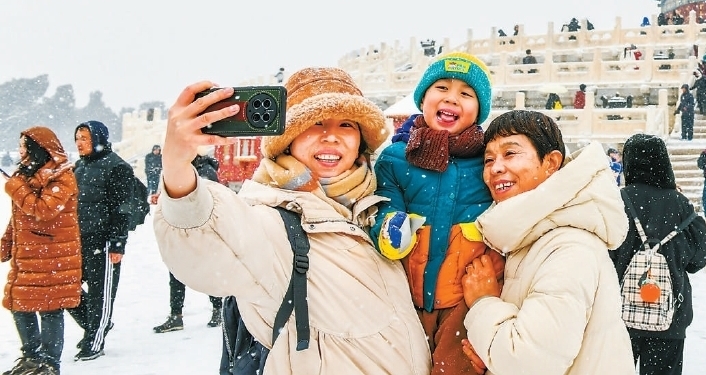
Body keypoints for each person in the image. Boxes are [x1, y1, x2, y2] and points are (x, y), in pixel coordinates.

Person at [154, 68, 432, 374]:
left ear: (361, 140)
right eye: (315, 123)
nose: (331, 136)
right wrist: (177, 168)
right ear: (287, 140)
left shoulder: (376, 213)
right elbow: (211, 239)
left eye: (346, 124)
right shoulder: (274, 220)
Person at [461, 111, 635, 374]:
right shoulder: (533, 238)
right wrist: (493, 359)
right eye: (489, 159)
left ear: (551, 162)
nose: (496, 168)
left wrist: (482, 301)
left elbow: (527, 362)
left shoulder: (569, 247)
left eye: (510, 154)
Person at [370, 53, 499, 375]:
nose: (452, 98)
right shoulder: (395, 158)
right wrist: (389, 228)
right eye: (441, 87)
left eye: (466, 94)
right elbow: (384, 204)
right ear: (423, 98)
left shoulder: (488, 159)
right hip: (404, 296)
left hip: (464, 300)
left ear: (479, 109)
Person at [611, 135, 706, 375]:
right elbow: (699, 258)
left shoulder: (616, 201)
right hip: (670, 314)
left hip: (618, 314)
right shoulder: (679, 204)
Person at [3, 128, 81, 375]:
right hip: (28, 256)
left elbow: (43, 210)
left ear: (38, 148)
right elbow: (18, 217)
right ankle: (31, 357)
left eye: (24, 145)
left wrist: (14, 186)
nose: (21, 150)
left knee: (50, 308)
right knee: (19, 304)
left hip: (52, 257)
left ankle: (49, 363)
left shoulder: (62, 177)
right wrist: (5, 244)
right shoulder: (25, 175)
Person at [67, 121, 135, 362]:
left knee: (100, 295)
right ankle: (96, 324)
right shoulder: (78, 168)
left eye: (84, 137)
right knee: (67, 288)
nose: (79, 142)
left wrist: (117, 243)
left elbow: (122, 209)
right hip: (78, 240)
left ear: (98, 139)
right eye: (77, 138)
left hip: (104, 242)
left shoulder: (117, 167)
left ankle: (94, 341)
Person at [152, 153, 224, 334]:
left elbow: (208, 199)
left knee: (208, 271)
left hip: (201, 231)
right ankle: (176, 315)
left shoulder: (205, 171)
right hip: (178, 228)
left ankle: (218, 309)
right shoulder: (175, 171)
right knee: (176, 272)